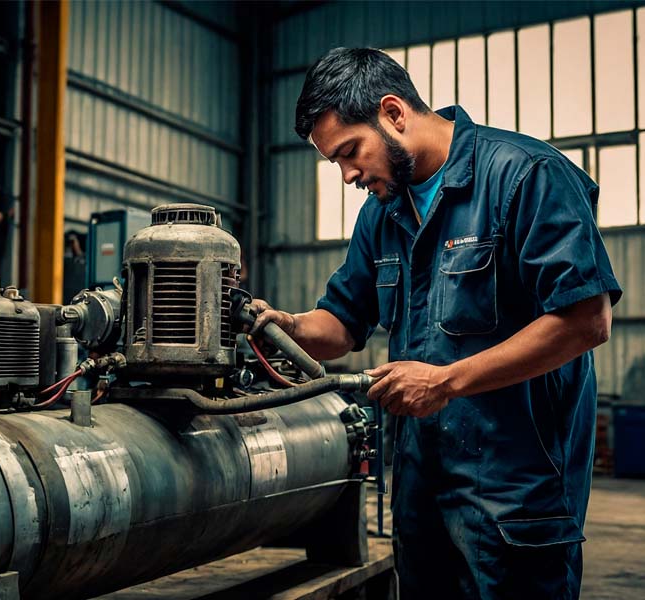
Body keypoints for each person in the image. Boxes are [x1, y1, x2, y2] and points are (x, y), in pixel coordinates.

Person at [250, 48, 621, 599]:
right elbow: (343, 323)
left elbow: (586, 320)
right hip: (421, 488)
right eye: (336, 163)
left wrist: (444, 381)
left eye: (351, 152)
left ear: (394, 113)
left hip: (516, 493)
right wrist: (285, 325)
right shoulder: (383, 212)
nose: (349, 175)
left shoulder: (526, 176)